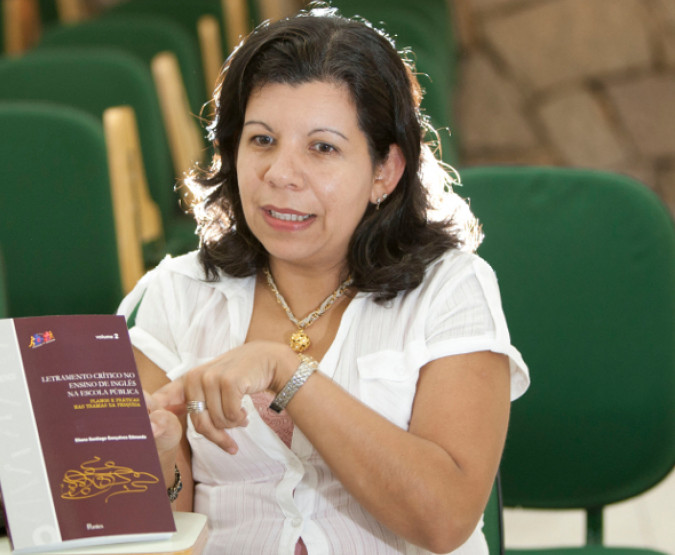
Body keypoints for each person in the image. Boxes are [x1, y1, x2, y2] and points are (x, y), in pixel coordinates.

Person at [118, 6, 529, 554]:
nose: (280, 174)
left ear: (385, 171)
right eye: (262, 140)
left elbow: (445, 519)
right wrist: (164, 456)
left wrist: (288, 372)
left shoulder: (450, 288)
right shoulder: (177, 294)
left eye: (323, 148)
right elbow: (159, 533)